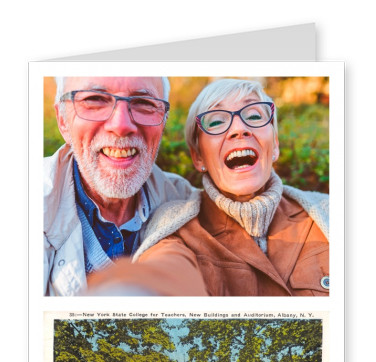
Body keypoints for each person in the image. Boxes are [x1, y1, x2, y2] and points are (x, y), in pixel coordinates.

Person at [87, 78, 329, 296]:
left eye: (254, 116)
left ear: (274, 144)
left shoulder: (328, 213)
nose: (239, 129)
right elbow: (165, 271)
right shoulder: (176, 229)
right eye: (216, 121)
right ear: (198, 157)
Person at [44, 76, 198, 296]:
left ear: (163, 121)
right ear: (62, 120)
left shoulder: (187, 204)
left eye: (144, 103)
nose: (121, 126)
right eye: (95, 99)